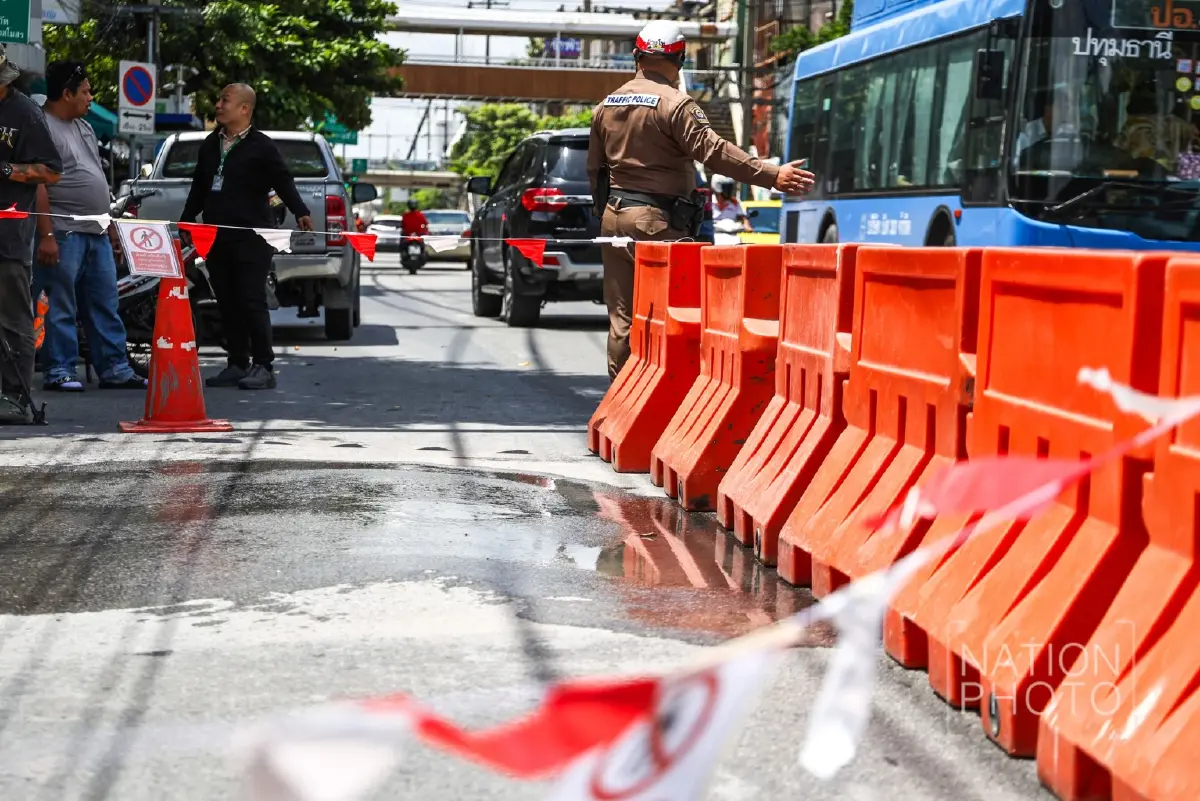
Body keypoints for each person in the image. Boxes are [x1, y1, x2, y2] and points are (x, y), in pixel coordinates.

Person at [587, 21, 815, 380]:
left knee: (622, 322)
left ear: (636, 56)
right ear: (679, 59)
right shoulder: (675, 104)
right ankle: (664, 394)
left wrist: (605, 215)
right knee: (673, 315)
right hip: (658, 222)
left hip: (614, 220)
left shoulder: (606, 105)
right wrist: (772, 175)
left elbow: (595, 170)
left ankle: (620, 395)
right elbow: (714, 152)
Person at [180, 83, 312, 391]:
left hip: (252, 237)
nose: (218, 105)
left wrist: (300, 210)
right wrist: (187, 219)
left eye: (225, 100)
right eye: (219, 99)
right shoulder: (211, 144)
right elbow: (199, 186)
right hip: (216, 236)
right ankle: (237, 363)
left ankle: (263, 366)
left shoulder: (261, 146)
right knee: (227, 301)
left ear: (244, 109)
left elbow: (283, 180)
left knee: (251, 299)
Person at [34, 61, 146, 392]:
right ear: (66, 94)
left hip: (96, 231)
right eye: (85, 91)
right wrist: (46, 235)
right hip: (63, 231)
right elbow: (38, 185)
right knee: (61, 305)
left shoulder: (84, 126)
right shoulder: (41, 127)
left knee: (104, 303)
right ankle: (60, 370)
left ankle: (114, 368)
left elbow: (96, 175)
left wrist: (110, 225)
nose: (90, 97)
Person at [0, 44, 62, 423]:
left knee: (12, 319)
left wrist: (7, 170)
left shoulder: (24, 113)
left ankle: (15, 398)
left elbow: (51, 172)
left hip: (8, 236)